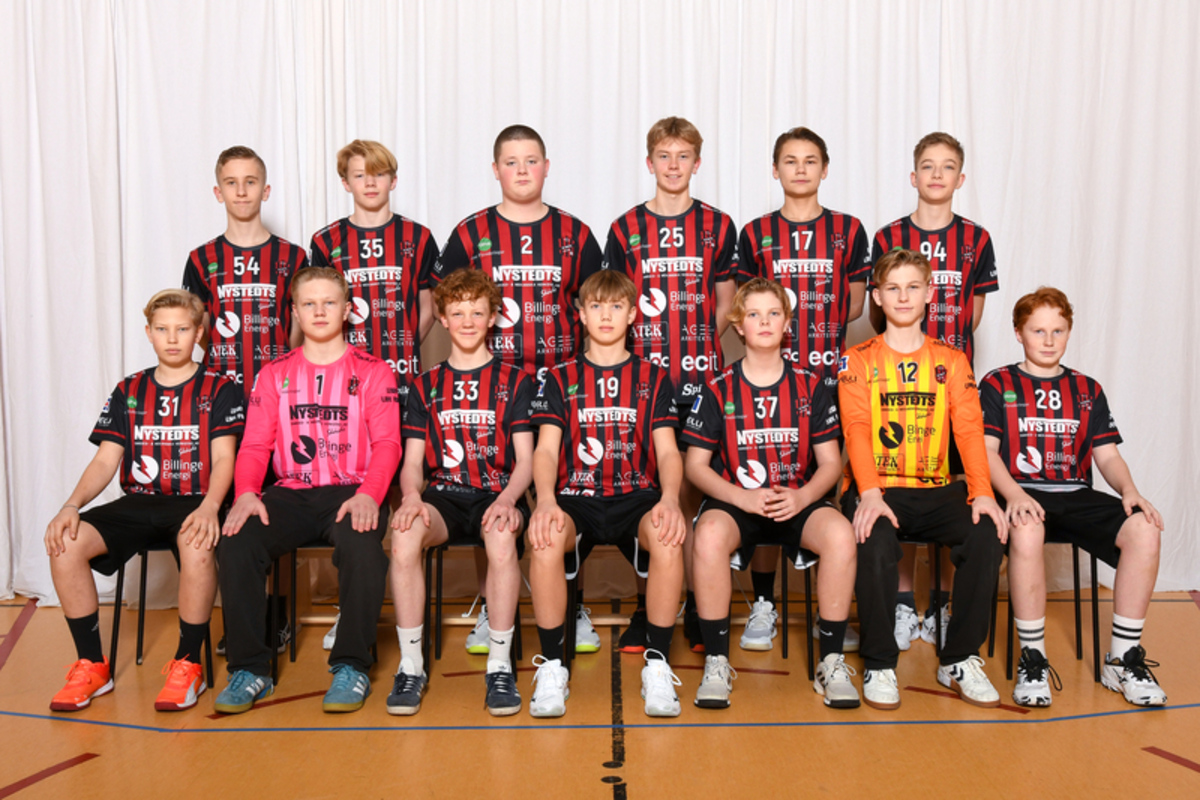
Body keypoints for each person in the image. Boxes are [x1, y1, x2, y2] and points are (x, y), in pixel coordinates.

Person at [431, 124, 604, 655]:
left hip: (561, 385)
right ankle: (492, 606)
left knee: (568, 491)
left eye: (531, 160)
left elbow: (597, 307)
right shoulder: (470, 233)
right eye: (511, 161)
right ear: (495, 170)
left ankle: (572, 606)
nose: (522, 170)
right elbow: (448, 303)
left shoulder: (576, 233)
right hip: (493, 387)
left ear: (547, 167)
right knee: (489, 490)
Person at [44, 289, 243, 712]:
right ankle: (92, 665)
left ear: (198, 333)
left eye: (182, 329)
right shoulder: (129, 389)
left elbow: (225, 458)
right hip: (138, 502)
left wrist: (211, 506)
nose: (172, 338)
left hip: (195, 501)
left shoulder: (220, 388)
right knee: (65, 543)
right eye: (162, 329)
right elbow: (105, 460)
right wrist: (70, 506)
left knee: (197, 544)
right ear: (149, 333)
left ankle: (188, 665)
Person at [214, 267, 401, 715]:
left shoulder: (374, 371)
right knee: (236, 540)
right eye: (309, 304)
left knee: (362, 547)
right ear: (295, 312)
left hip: (353, 490)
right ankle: (250, 668)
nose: (319, 311)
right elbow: (255, 445)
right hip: (292, 493)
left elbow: (388, 445)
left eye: (329, 302)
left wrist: (370, 494)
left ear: (347, 309)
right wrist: (246, 493)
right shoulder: (274, 373)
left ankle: (351, 665)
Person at [981, 287, 1166, 707]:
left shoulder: (1086, 388)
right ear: (1018, 333)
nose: (1048, 340)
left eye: (1058, 331)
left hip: (1075, 493)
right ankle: (1033, 659)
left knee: (1144, 529)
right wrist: (1013, 494)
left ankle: (1122, 660)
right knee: (1027, 529)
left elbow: (1108, 455)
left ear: (1068, 333)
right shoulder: (997, 383)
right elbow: (986, 453)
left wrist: (1131, 492)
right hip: (1022, 492)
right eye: (1038, 331)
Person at [839, 247, 1006, 710]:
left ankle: (960, 658)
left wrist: (983, 493)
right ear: (876, 296)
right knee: (871, 535)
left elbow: (969, 431)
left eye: (913, 286)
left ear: (930, 293)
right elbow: (856, 429)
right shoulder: (857, 360)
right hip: (879, 487)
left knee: (987, 530)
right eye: (892, 288)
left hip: (936, 488)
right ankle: (879, 663)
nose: (903, 296)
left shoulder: (952, 360)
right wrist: (869, 494)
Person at [684, 279, 859, 710]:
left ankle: (831, 661)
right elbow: (694, 467)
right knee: (708, 536)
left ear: (787, 323)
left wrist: (803, 497)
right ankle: (716, 662)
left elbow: (831, 463)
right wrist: (740, 498)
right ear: (738, 326)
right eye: (754, 314)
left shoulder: (811, 385)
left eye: (773, 313)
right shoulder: (717, 387)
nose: (764, 322)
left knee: (840, 535)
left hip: (795, 498)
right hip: (738, 501)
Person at [603, 116, 737, 652]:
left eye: (683, 156)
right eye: (664, 155)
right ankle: (650, 608)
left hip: (702, 381)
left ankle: (699, 612)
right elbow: (615, 304)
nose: (673, 165)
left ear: (697, 164)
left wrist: (700, 343)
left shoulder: (719, 226)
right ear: (650, 162)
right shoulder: (624, 228)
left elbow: (726, 302)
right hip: (644, 384)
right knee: (652, 498)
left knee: (692, 498)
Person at [734, 126, 870, 651]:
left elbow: (854, 305)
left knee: (826, 484)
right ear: (775, 170)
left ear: (825, 169)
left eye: (810, 160)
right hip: (768, 377)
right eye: (790, 161)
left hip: (828, 379)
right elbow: (748, 305)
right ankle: (764, 601)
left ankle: (828, 608)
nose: (800, 169)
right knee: (770, 476)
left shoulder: (848, 229)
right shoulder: (755, 233)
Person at [526, 270, 686, 718]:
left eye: (616, 306)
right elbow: (545, 450)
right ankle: (552, 668)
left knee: (669, 537)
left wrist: (670, 499)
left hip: (636, 496)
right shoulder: (559, 378)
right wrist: (545, 501)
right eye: (596, 306)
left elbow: (668, 452)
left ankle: (657, 666)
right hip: (575, 497)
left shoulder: (653, 377)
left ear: (633, 314)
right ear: (580, 314)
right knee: (545, 539)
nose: (606, 315)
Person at [868, 132, 999, 651]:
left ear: (960, 178)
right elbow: (878, 309)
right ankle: (903, 603)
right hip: (897, 380)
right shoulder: (888, 236)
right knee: (899, 483)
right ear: (914, 176)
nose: (937, 174)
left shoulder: (977, 238)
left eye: (947, 167)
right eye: (928, 165)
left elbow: (972, 315)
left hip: (947, 384)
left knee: (950, 488)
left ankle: (942, 602)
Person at [386, 269, 535, 717]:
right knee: (404, 536)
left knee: (501, 538)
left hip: (498, 493)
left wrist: (508, 499)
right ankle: (410, 666)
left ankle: (499, 667)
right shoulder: (425, 385)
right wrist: (412, 498)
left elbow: (527, 461)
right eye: (458, 312)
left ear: (492, 317)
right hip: (445, 497)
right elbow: (412, 464)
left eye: (477, 312)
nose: (467, 321)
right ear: (443, 318)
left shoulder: (517, 380)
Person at [310, 139, 440, 649]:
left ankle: (406, 611)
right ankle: (353, 608)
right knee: (352, 492)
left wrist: (402, 347)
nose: (370, 182)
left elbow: (428, 307)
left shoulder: (418, 237)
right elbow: (320, 304)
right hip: (345, 389)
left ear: (393, 180)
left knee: (407, 490)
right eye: (359, 174)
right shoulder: (326, 241)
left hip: (402, 380)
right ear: (345, 182)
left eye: (379, 173)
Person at [183, 146, 308, 654]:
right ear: (218, 192)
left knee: (276, 505)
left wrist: (283, 376)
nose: (241, 190)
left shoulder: (294, 257)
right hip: (224, 401)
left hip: (280, 400)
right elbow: (195, 328)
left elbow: (302, 327)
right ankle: (239, 613)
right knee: (227, 503)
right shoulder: (201, 259)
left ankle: (276, 612)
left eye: (251, 181)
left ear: (265, 190)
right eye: (232, 182)